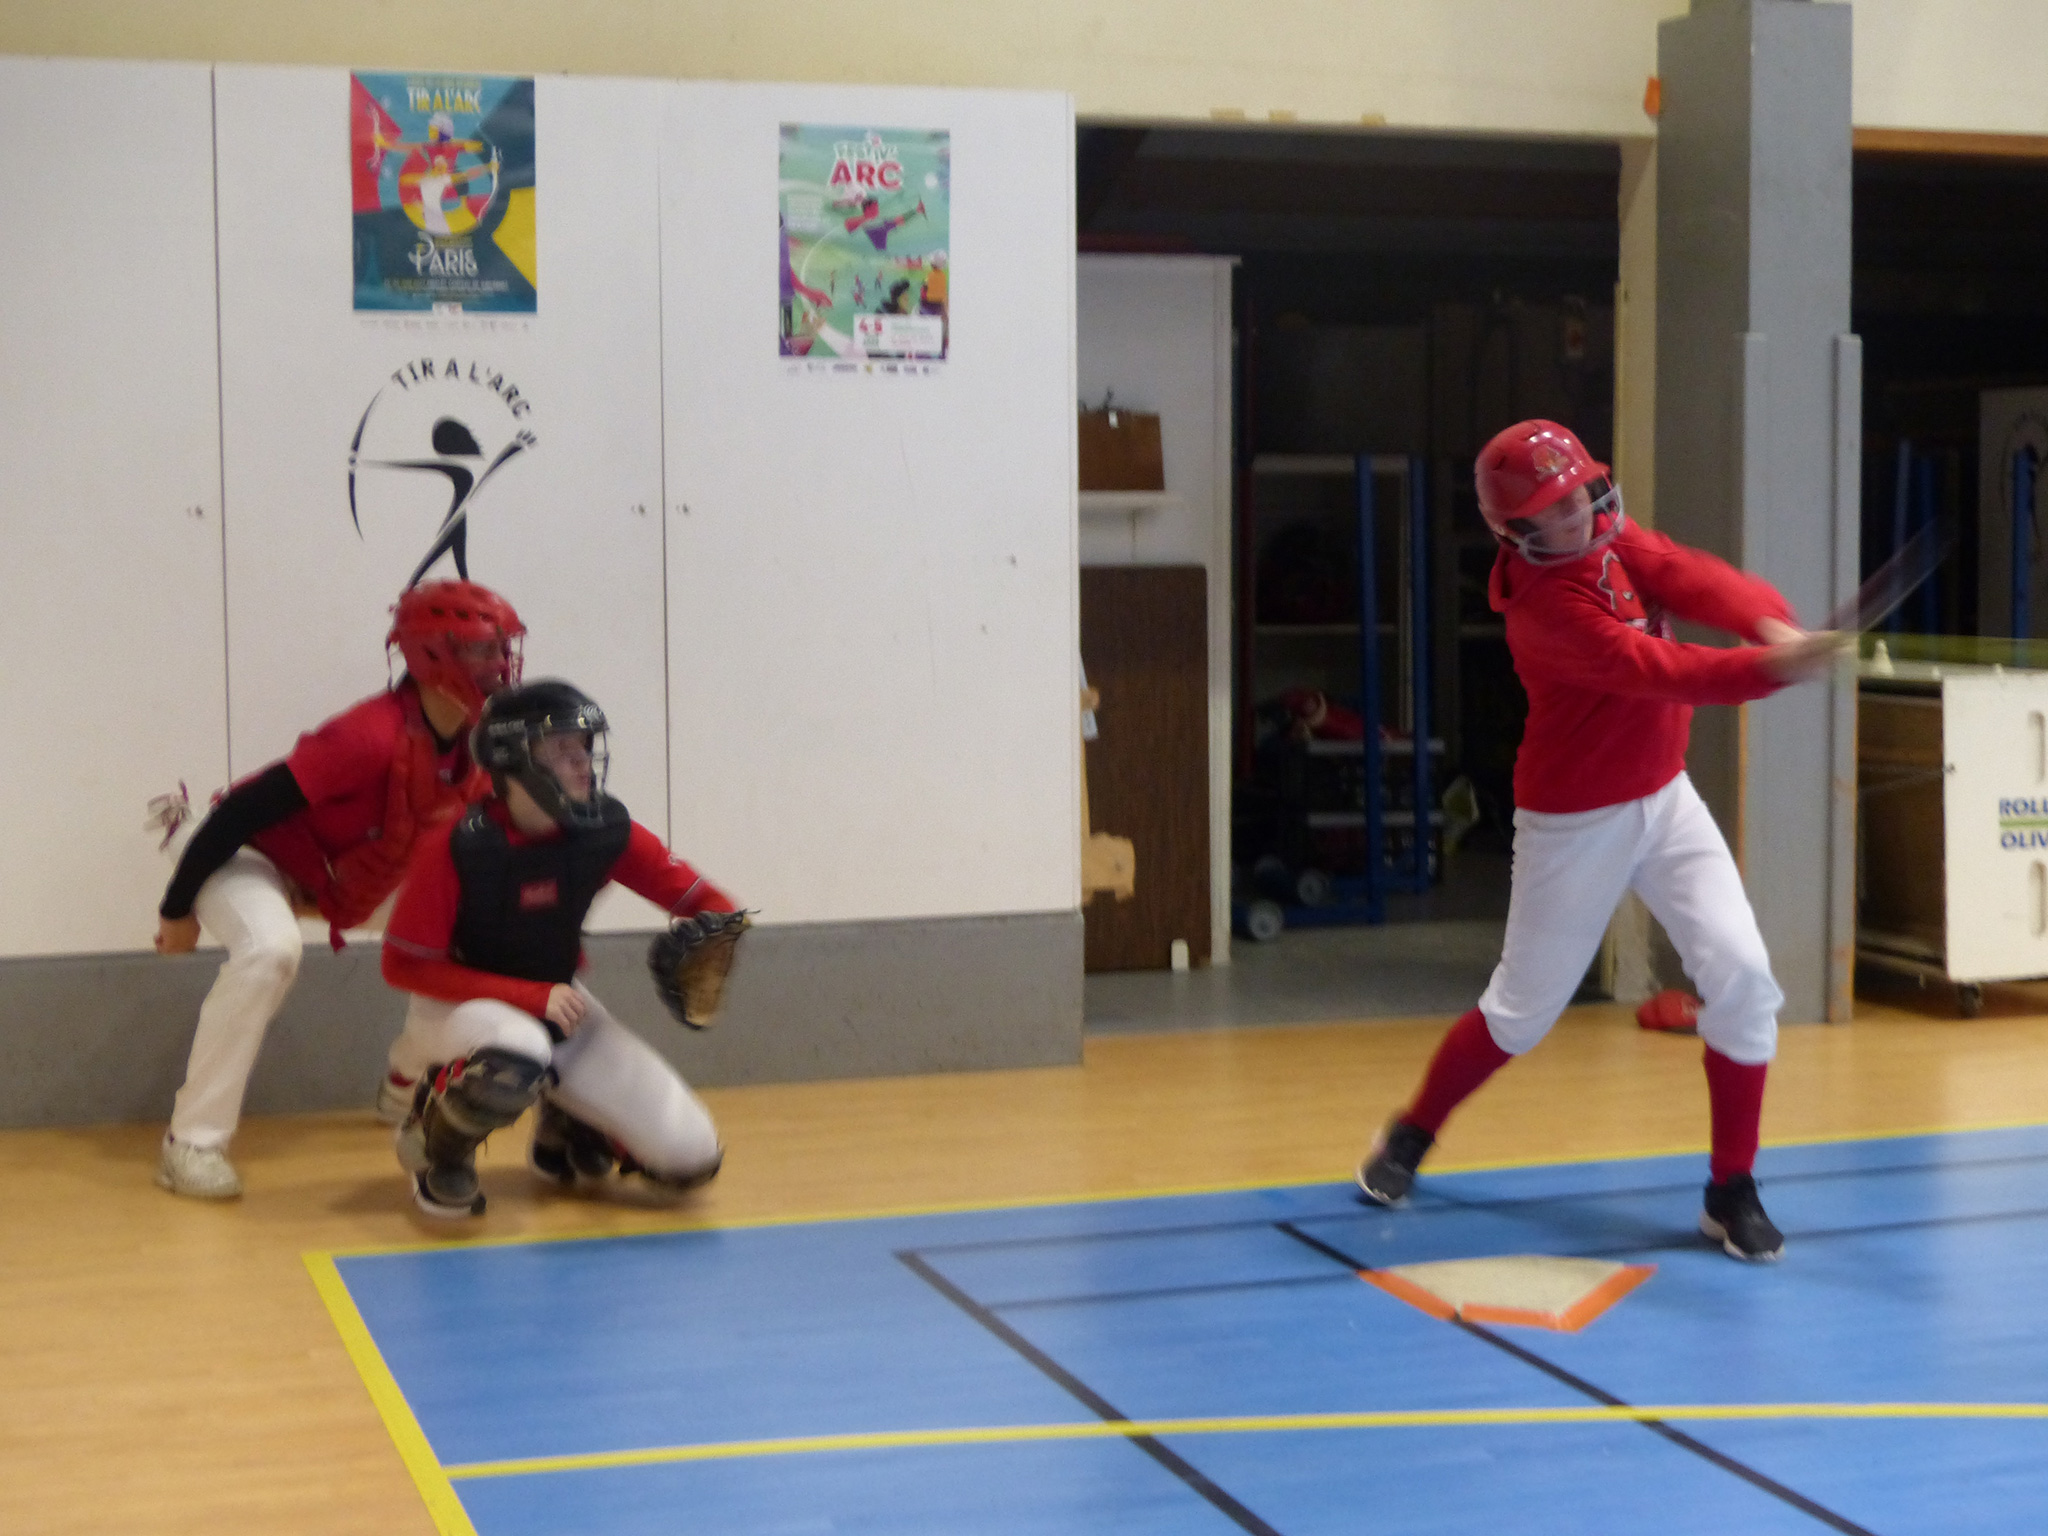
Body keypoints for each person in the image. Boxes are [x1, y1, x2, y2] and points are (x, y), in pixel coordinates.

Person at [1355, 420, 1844, 1262]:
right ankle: (1413, 1131)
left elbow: (1691, 575)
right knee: (1520, 1013)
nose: (1576, 514)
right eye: (1551, 510)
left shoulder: (1613, 540)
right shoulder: (1545, 612)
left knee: (1744, 979)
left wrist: (1772, 625)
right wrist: (1771, 671)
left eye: (1579, 494)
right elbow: (1665, 672)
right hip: (1575, 822)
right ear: (1515, 532)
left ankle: (1730, 1189)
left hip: (1665, 798)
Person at [152, 580, 525, 1199]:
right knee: (270, 951)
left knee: (476, 930)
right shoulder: (368, 735)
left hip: (336, 876)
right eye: (484, 649)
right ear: (433, 654)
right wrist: (177, 911)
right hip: (248, 853)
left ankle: (407, 1077)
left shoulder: (478, 744)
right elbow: (240, 812)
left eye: (502, 649)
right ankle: (191, 1143)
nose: (500, 665)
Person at [380, 679, 738, 1220]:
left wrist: (717, 932)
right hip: (455, 1010)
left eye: (584, 747)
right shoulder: (458, 845)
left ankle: (569, 1122)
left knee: (692, 1158)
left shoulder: (603, 828)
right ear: (512, 760)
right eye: (561, 749)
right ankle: (434, 1142)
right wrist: (529, 996)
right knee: (519, 1050)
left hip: (555, 1006)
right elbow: (402, 965)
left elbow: (704, 900)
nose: (582, 763)